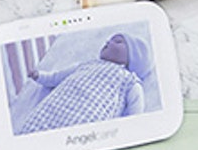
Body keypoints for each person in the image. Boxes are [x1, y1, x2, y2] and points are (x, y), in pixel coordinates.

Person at [17, 32, 148, 135]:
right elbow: (57, 77)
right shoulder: (88, 64)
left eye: (118, 41)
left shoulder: (129, 80)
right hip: (54, 107)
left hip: (86, 118)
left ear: (133, 59)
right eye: (110, 39)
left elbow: (135, 113)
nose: (108, 42)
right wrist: (40, 76)